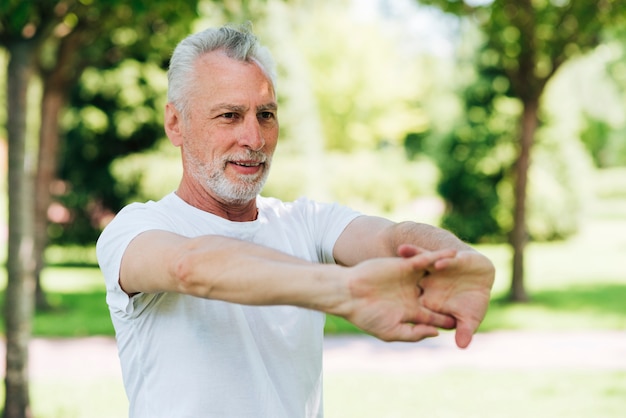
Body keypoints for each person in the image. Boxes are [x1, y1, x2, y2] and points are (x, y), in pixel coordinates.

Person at [96, 23, 495, 418]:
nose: (254, 138)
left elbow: (393, 239)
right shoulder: (135, 231)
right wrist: (346, 291)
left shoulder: (305, 222)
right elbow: (191, 266)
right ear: (175, 123)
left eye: (266, 114)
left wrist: (456, 257)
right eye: (230, 116)